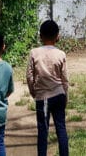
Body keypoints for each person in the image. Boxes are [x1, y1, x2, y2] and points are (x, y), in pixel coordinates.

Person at [27, 19, 69, 156]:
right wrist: (65, 95)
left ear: (40, 36)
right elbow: (65, 79)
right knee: (61, 129)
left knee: (43, 131)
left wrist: (34, 92)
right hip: (59, 95)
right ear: (58, 36)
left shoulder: (34, 53)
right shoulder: (61, 54)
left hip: (43, 98)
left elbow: (29, 76)